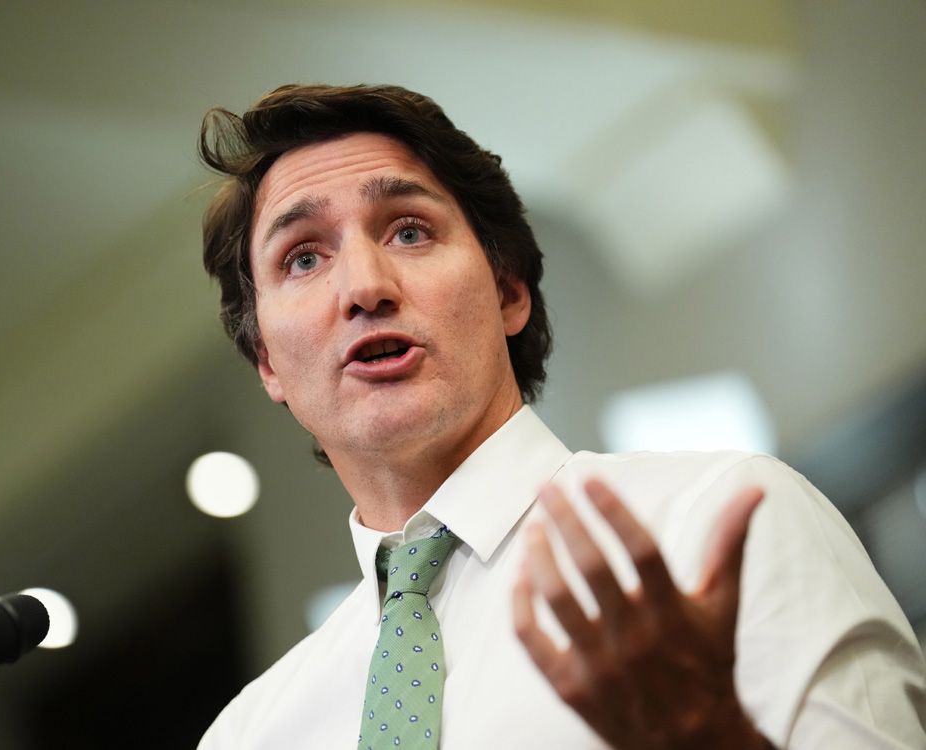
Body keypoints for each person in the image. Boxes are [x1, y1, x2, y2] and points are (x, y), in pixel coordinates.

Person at [194, 84, 926, 749]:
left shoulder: (718, 528)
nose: (364, 286)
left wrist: (711, 738)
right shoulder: (251, 735)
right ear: (266, 361)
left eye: (408, 231)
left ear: (510, 289)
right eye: (302, 258)